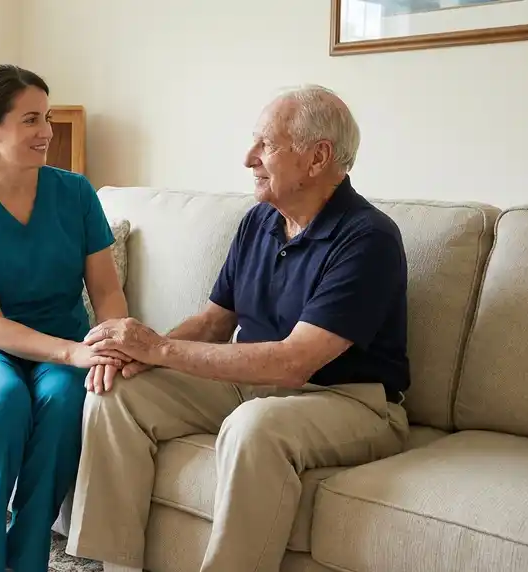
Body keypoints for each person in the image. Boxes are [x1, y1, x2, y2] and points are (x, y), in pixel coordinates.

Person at [65, 85, 411, 572]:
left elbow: (294, 362)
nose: (249, 158)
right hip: (250, 383)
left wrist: (159, 347)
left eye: (266, 145)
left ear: (318, 158)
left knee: (255, 427)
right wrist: (135, 354)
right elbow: (213, 322)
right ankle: (114, 565)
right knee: (116, 393)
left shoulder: (367, 238)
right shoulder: (259, 222)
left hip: (351, 399)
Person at [0, 64, 129, 572]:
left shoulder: (76, 193)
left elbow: (107, 290)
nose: (46, 133)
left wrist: (109, 342)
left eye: (48, 118)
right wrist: (73, 351)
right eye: (31, 120)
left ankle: (28, 555)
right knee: (2, 399)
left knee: (66, 400)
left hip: (64, 345)